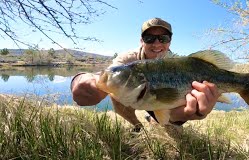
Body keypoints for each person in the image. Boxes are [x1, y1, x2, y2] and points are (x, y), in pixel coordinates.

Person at [71, 17, 221, 131]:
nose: (156, 44)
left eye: (163, 38)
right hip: (139, 96)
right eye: (149, 38)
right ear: (141, 41)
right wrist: (80, 80)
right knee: (116, 92)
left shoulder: (179, 63)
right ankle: (137, 127)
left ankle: (159, 121)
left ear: (170, 42)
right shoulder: (128, 59)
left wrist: (193, 113)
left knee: (168, 127)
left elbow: (173, 97)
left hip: (169, 102)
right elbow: (109, 73)